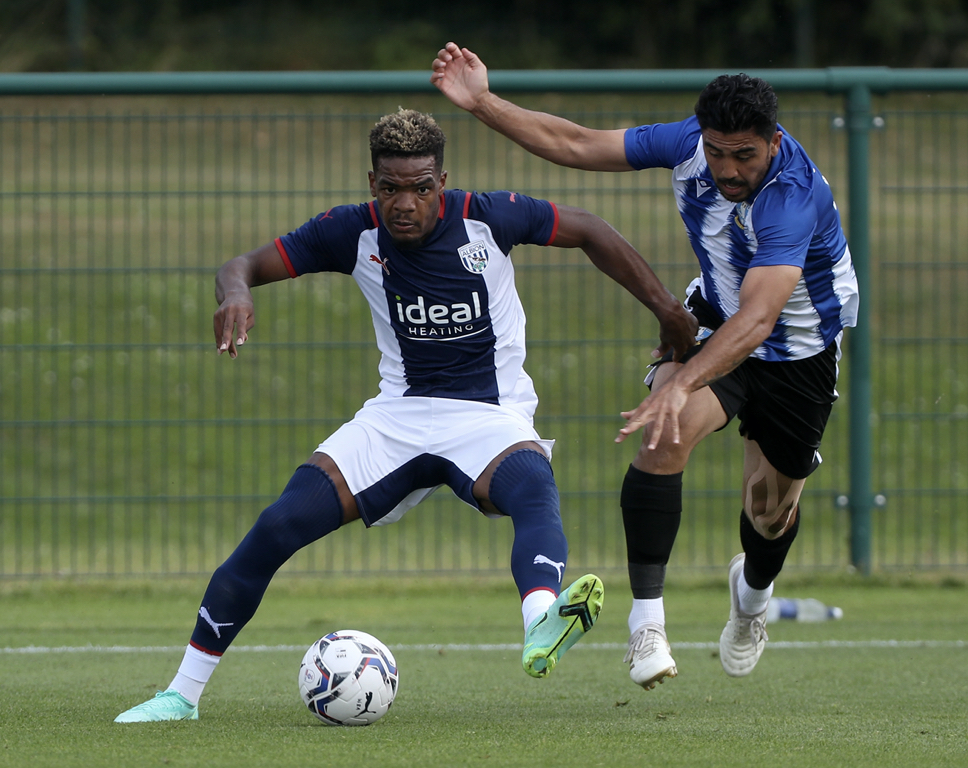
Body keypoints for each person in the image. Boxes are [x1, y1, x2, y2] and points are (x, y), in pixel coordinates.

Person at [114, 108, 693, 722]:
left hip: (487, 414)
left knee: (532, 487)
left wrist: (664, 308)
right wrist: (235, 291)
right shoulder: (349, 232)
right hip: (397, 416)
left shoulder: (490, 216)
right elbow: (243, 265)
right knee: (278, 524)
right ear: (372, 184)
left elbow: (592, 230)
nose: (405, 203)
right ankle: (181, 695)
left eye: (421, 187)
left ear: (442, 181)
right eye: (391, 188)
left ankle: (541, 621)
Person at [432, 44, 859, 689]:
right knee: (667, 431)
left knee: (770, 510)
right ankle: (646, 627)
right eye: (717, 151)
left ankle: (751, 601)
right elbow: (575, 144)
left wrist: (684, 379)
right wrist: (483, 102)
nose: (726, 168)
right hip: (716, 318)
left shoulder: (793, 197)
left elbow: (760, 321)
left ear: (772, 143)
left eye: (743, 154)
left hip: (796, 348)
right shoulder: (687, 143)